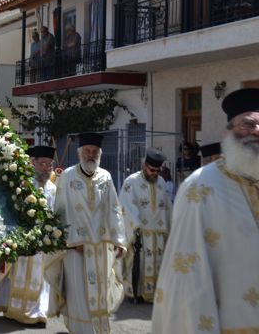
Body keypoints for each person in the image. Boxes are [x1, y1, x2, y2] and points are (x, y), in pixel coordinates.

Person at [152, 88, 259, 332]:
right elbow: (187, 277)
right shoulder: (200, 188)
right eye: (247, 124)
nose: (256, 131)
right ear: (228, 133)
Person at [45, 132, 127, 334]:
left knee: (101, 291)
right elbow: (60, 211)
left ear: (99, 154)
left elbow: (114, 209)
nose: (91, 155)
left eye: (95, 152)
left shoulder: (105, 176)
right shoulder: (68, 177)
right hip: (76, 249)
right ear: (80, 153)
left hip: (101, 247)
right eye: (88, 151)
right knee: (79, 296)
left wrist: (118, 240)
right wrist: (73, 241)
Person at [0, 145, 56, 324]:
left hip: (41, 242)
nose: (46, 168)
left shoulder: (52, 189)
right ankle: (12, 309)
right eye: (43, 164)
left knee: (38, 277)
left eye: (50, 165)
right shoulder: (22, 184)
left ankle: (36, 312)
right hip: (20, 237)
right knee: (15, 273)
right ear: (33, 163)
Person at [119, 148, 172, 303]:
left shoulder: (161, 182)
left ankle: (154, 293)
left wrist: (171, 225)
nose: (155, 173)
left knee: (158, 262)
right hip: (141, 232)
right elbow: (126, 206)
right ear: (144, 166)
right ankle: (137, 292)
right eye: (152, 170)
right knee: (140, 263)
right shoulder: (131, 182)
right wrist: (135, 228)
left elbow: (167, 206)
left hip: (159, 232)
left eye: (157, 171)